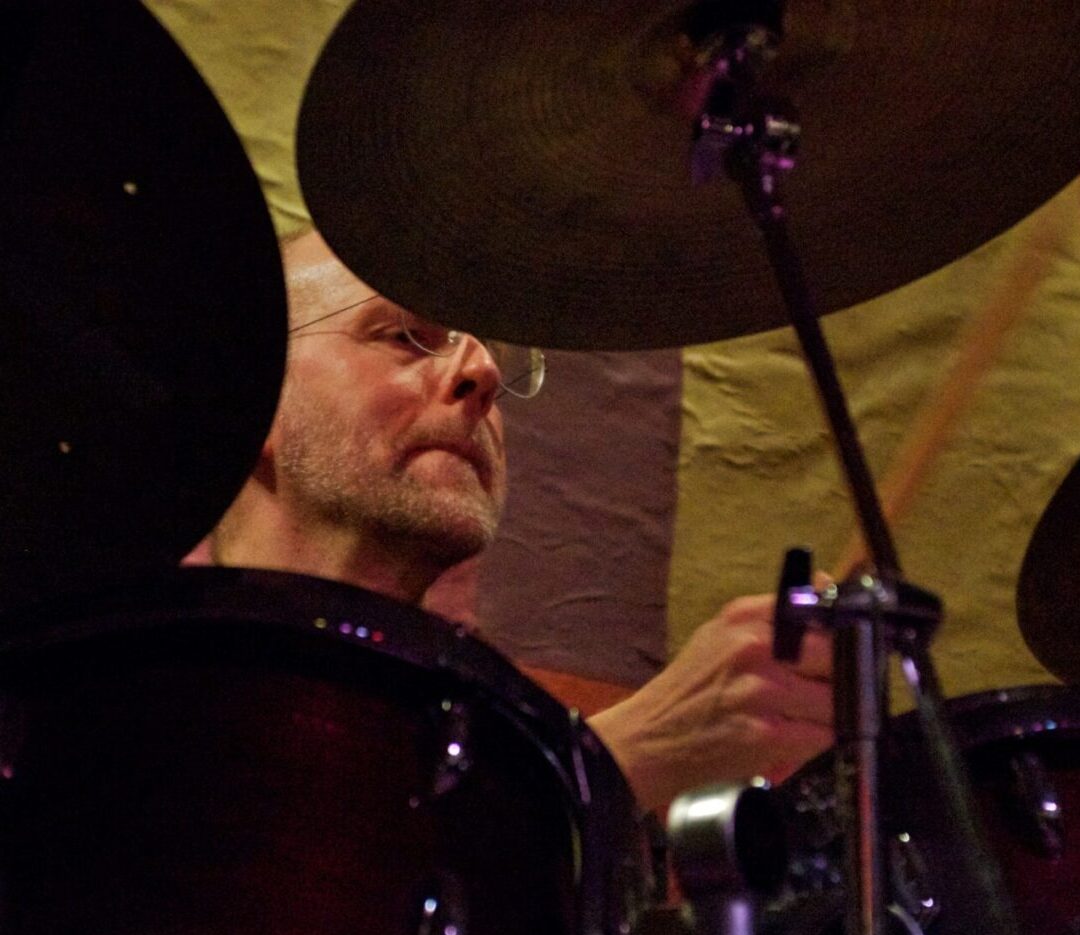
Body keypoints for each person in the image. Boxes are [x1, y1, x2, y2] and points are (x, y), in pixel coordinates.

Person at [201, 227, 834, 815]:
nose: (484, 373)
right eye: (402, 336)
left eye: (486, 354)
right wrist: (607, 761)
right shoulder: (122, 680)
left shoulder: (477, 710)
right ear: (254, 400)